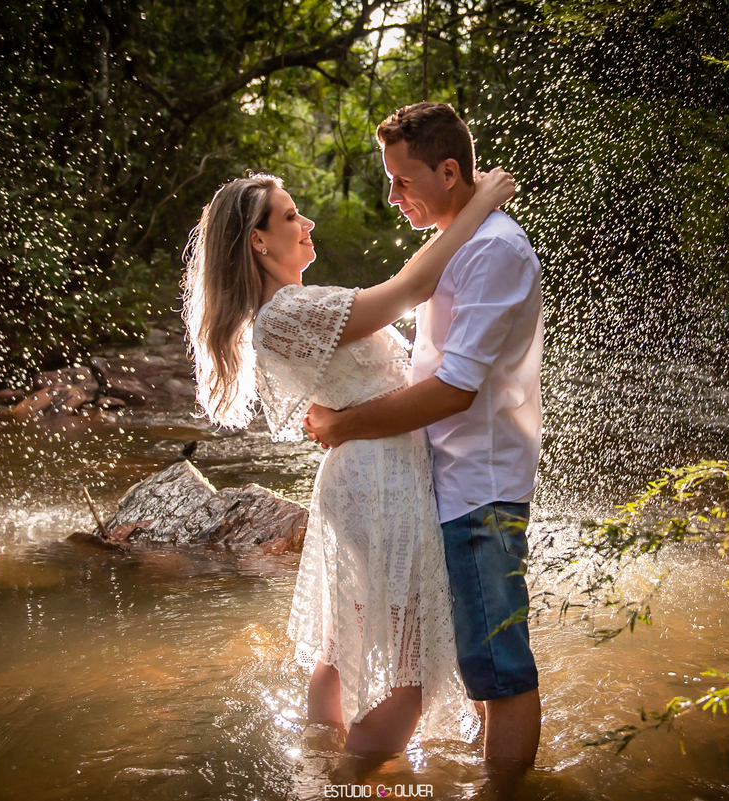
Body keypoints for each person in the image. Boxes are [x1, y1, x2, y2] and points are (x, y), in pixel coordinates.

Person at [182, 166, 516, 754]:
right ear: (258, 240)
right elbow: (408, 291)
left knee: (342, 648)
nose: (305, 222)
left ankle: (318, 766)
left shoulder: (296, 306)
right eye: (289, 215)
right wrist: (476, 207)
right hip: (379, 481)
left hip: (373, 473)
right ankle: (350, 779)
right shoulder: (287, 314)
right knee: (407, 671)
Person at [304, 102, 545, 768]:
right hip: (445, 483)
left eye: (402, 180)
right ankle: (471, 768)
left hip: (480, 491)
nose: (392, 196)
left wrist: (344, 425)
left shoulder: (496, 250)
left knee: (501, 669)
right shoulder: (457, 243)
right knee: (475, 661)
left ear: (448, 170)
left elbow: (453, 390)